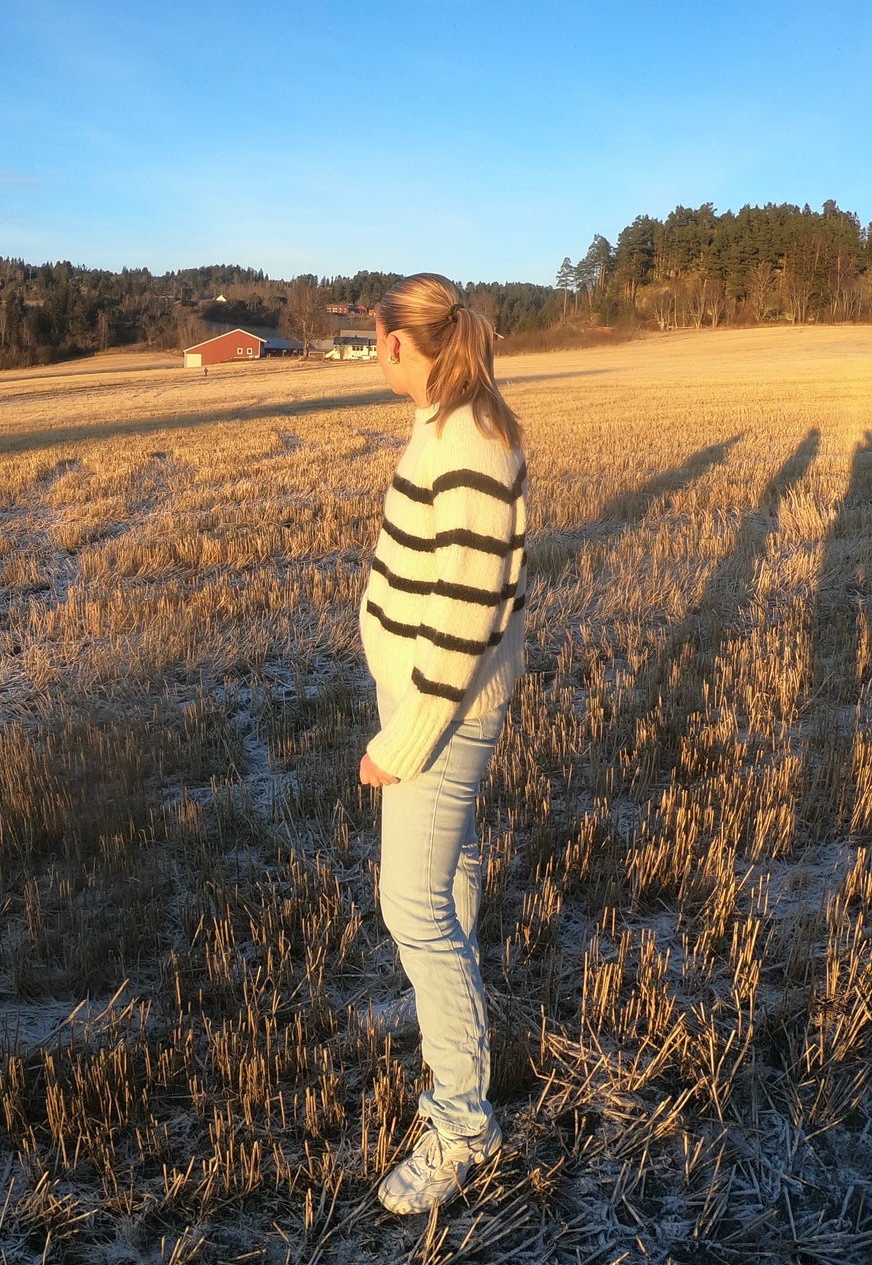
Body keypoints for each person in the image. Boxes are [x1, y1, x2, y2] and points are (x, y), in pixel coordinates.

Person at [358, 272, 527, 1215]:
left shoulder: (466, 437)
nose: (373, 351)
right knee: (447, 875)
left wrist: (402, 742)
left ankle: (463, 1121)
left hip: (442, 708)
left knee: (412, 909)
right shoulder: (447, 415)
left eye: (377, 337)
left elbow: (464, 623)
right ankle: (450, 1026)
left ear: (400, 341)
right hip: (432, 696)